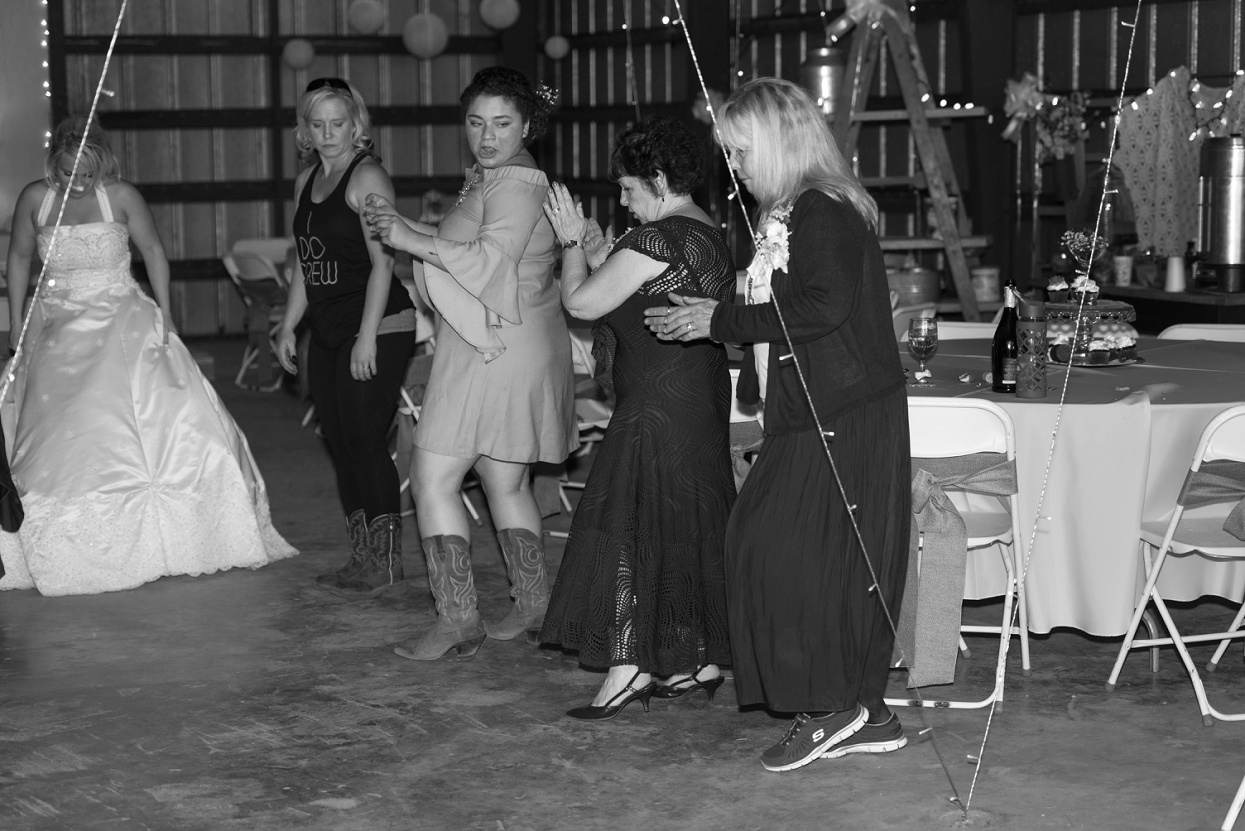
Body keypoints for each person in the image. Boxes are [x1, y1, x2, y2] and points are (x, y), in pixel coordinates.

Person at [645, 78, 911, 769]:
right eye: (728, 154)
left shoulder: (823, 210)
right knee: (804, 556)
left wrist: (719, 320)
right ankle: (867, 710)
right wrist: (712, 308)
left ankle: (831, 705)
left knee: (782, 552)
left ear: (777, 141)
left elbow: (822, 305)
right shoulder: (791, 211)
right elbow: (783, 296)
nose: (734, 167)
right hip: (814, 411)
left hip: (844, 415)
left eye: (740, 151)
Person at [0, 117, 295, 596]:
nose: (80, 182)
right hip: (55, 322)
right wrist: (16, 319)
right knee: (58, 425)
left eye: (89, 172)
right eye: (70, 172)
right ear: (55, 164)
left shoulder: (121, 196)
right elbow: (17, 258)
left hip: (121, 315)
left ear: (103, 163)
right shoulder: (35, 197)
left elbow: (154, 251)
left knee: (158, 417)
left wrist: (168, 315)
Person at [364, 67, 576, 660]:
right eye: (477, 122)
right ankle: (534, 606)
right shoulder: (502, 175)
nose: (486, 135)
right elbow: (474, 246)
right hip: (513, 339)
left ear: (528, 124)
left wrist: (408, 240)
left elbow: (487, 262)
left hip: (495, 346)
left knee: (432, 477)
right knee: (504, 480)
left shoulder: (515, 183)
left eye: (502, 123)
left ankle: (458, 622)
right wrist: (408, 227)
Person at [537, 116, 736, 720]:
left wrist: (572, 243)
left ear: (657, 179)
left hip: (655, 406)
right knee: (684, 526)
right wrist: (604, 252)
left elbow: (580, 302)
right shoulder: (706, 230)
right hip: (697, 398)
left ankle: (627, 668)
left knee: (629, 530)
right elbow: (639, 294)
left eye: (627, 189)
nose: (622, 202)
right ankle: (695, 661)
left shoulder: (657, 239)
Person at [276, 77, 417, 597]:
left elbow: (385, 264)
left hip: (379, 323)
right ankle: (362, 555)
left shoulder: (368, 177)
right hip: (330, 326)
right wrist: (290, 323)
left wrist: (367, 338)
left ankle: (384, 562)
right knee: (339, 441)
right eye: (318, 124)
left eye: (338, 123)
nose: (328, 133)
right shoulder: (306, 181)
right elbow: (304, 265)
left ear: (356, 125)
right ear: (305, 129)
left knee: (363, 437)